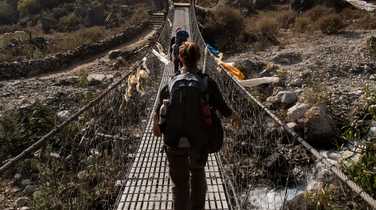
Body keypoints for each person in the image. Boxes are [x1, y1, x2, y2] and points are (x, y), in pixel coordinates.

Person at [153, 42, 240, 210]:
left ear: (179, 58)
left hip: (173, 141)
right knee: (198, 174)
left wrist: (157, 126)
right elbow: (223, 107)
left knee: (179, 184)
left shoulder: (171, 82)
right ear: (199, 58)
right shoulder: (207, 83)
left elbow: (157, 112)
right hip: (199, 141)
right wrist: (234, 116)